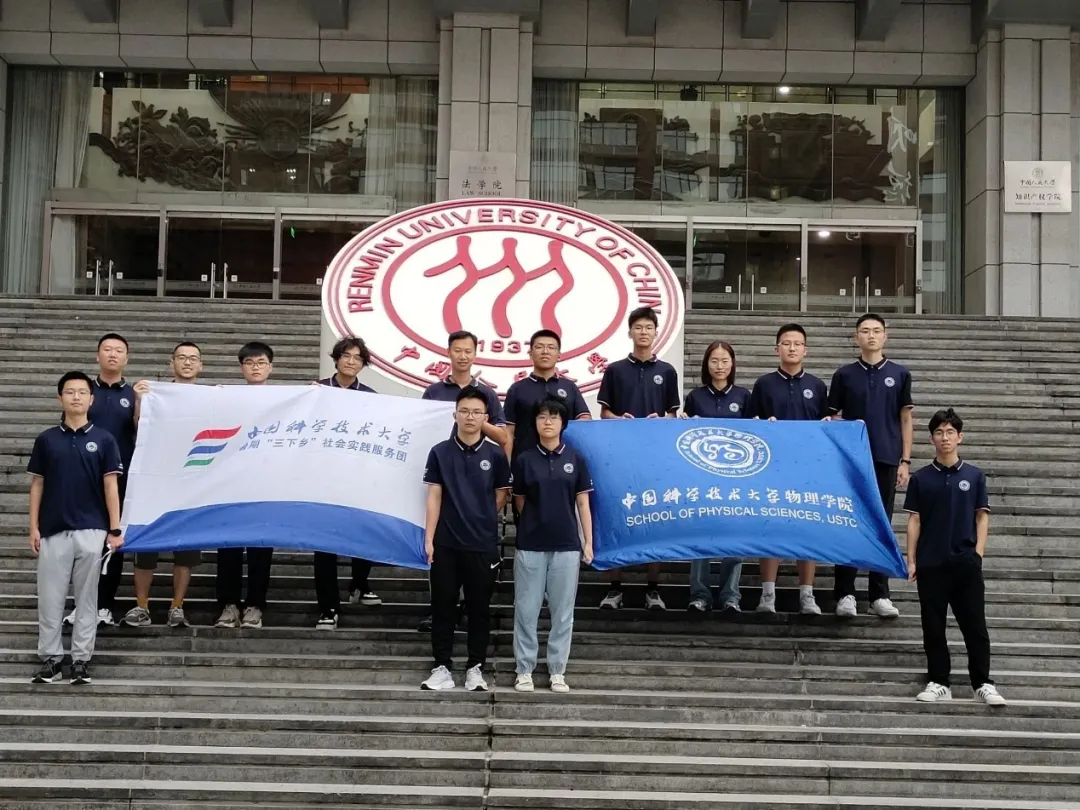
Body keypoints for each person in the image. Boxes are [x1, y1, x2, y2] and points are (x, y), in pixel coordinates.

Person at [30, 371, 125, 685]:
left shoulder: (105, 439)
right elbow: (37, 485)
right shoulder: (46, 439)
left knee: (87, 599)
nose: (76, 397)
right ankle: (52, 660)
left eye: (82, 392)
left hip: (92, 529)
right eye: (69, 392)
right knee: (50, 599)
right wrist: (33, 527)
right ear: (60, 398)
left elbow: (111, 487)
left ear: (91, 399)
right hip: (53, 529)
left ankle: (81, 660)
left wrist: (114, 528)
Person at [905, 409, 1005, 707]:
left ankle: (982, 683)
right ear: (931, 439)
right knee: (933, 626)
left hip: (965, 562)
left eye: (950, 432)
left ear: (960, 437)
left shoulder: (974, 476)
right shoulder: (921, 478)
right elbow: (914, 521)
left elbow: (982, 516)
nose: (944, 437)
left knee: (975, 626)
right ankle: (939, 682)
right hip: (931, 562)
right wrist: (912, 559)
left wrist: (978, 554)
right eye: (939, 432)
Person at [420, 388, 512, 692]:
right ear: (455, 414)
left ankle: (475, 668)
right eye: (464, 411)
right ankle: (441, 667)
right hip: (445, 543)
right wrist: (429, 539)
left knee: (479, 609)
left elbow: (502, 495)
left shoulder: (495, 455)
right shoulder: (439, 452)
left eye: (476, 412)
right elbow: (434, 496)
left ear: (485, 417)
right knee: (442, 606)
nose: (470, 417)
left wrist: (480, 516)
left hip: (481, 544)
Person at [417, 330, 507, 633]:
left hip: (478, 480)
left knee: (474, 570)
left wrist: (475, 418)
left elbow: (503, 436)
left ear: (475, 354)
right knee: (441, 557)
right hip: (443, 475)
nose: (463, 356)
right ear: (449, 352)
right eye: (458, 350)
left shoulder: (487, 395)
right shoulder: (433, 392)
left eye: (468, 351)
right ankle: (441, 612)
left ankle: (469, 609)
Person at [596, 306, 680, 611]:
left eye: (649, 327)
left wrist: (663, 420)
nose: (644, 332)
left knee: (654, 521)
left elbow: (673, 415)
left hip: (655, 460)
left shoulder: (667, 371)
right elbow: (604, 413)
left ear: (656, 332)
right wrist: (619, 419)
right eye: (638, 327)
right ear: (630, 332)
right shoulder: (615, 370)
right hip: (620, 458)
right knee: (617, 518)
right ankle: (615, 589)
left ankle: (652, 589)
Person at [827, 313, 910, 619]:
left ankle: (880, 594)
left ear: (885, 336)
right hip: (851, 461)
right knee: (847, 522)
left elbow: (905, 419)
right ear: (856, 337)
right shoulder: (844, 375)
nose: (871, 335)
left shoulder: (899, 374)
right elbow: (832, 417)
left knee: (881, 524)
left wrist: (905, 460)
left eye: (876, 331)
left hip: (886, 458)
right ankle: (845, 593)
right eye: (865, 331)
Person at [511, 397, 594, 694]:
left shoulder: (575, 458)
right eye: (542, 416)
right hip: (530, 544)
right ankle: (524, 670)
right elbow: (519, 501)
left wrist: (588, 542)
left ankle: (557, 670)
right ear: (534, 423)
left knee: (562, 612)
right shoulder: (524, 459)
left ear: (563, 423)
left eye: (554, 417)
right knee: (526, 609)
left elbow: (582, 503)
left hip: (566, 544)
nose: (548, 422)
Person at [121, 342, 205, 629]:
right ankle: (142, 606)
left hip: (192, 482)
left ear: (201, 365)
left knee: (186, 550)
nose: (187, 362)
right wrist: (139, 401)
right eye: (181, 358)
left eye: (192, 358)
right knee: (146, 544)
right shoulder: (156, 396)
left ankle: (177, 607)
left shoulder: (210, 398)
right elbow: (139, 427)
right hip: (155, 479)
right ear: (172, 363)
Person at [747, 323, 825, 616]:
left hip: (807, 471)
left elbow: (826, 427)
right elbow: (751, 425)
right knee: (770, 529)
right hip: (771, 470)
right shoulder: (764, 384)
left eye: (797, 344)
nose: (792, 348)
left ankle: (807, 595)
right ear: (776, 348)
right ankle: (768, 594)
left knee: (807, 530)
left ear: (806, 350)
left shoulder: (817, 386)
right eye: (786, 343)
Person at [313, 337, 382, 630]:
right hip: (322, 481)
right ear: (336, 359)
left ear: (363, 364)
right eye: (346, 355)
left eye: (357, 358)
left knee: (363, 535)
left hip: (358, 479)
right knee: (323, 547)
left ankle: (359, 582)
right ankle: (328, 607)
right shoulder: (316, 391)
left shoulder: (370, 397)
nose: (351, 361)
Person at [682, 340, 750, 614]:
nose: (719, 366)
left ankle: (730, 595)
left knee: (734, 537)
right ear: (706, 364)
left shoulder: (744, 396)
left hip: (736, 479)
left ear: (732, 364)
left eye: (725, 361)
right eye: (714, 360)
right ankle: (700, 594)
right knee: (701, 537)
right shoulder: (695, 397)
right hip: (702, 479)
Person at [214, 342, 276, 630]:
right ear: (241, 368)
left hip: (265, 486)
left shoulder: (283, 400)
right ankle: (228, 605)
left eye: (261, 362)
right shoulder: (228, 399)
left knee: (260, 549)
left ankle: (255, 605)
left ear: (270, 367)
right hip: (231, 484)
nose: (255, 367)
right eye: (249, 363)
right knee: (228, 547)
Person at [81, 333, 137, 628]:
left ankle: (104, 605)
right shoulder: (83, 391)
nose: (113, 354)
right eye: (107, 349)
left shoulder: (134, 395)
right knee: (83, 540)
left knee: (113, 539)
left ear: (127, 357)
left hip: (121, 477)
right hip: (84, 476)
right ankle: (82, 604)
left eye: (118, 350)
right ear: (97, 355)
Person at [503, 329, 591, 463]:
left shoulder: (569, 387)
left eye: (551, 347)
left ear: (559, 355)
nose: (545, 351)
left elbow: (584, 418)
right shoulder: (517, 389)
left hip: (565, 462)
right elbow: (508, 432)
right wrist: (506, 467)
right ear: (530, 353)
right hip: (525, 463)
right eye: (539, 347)